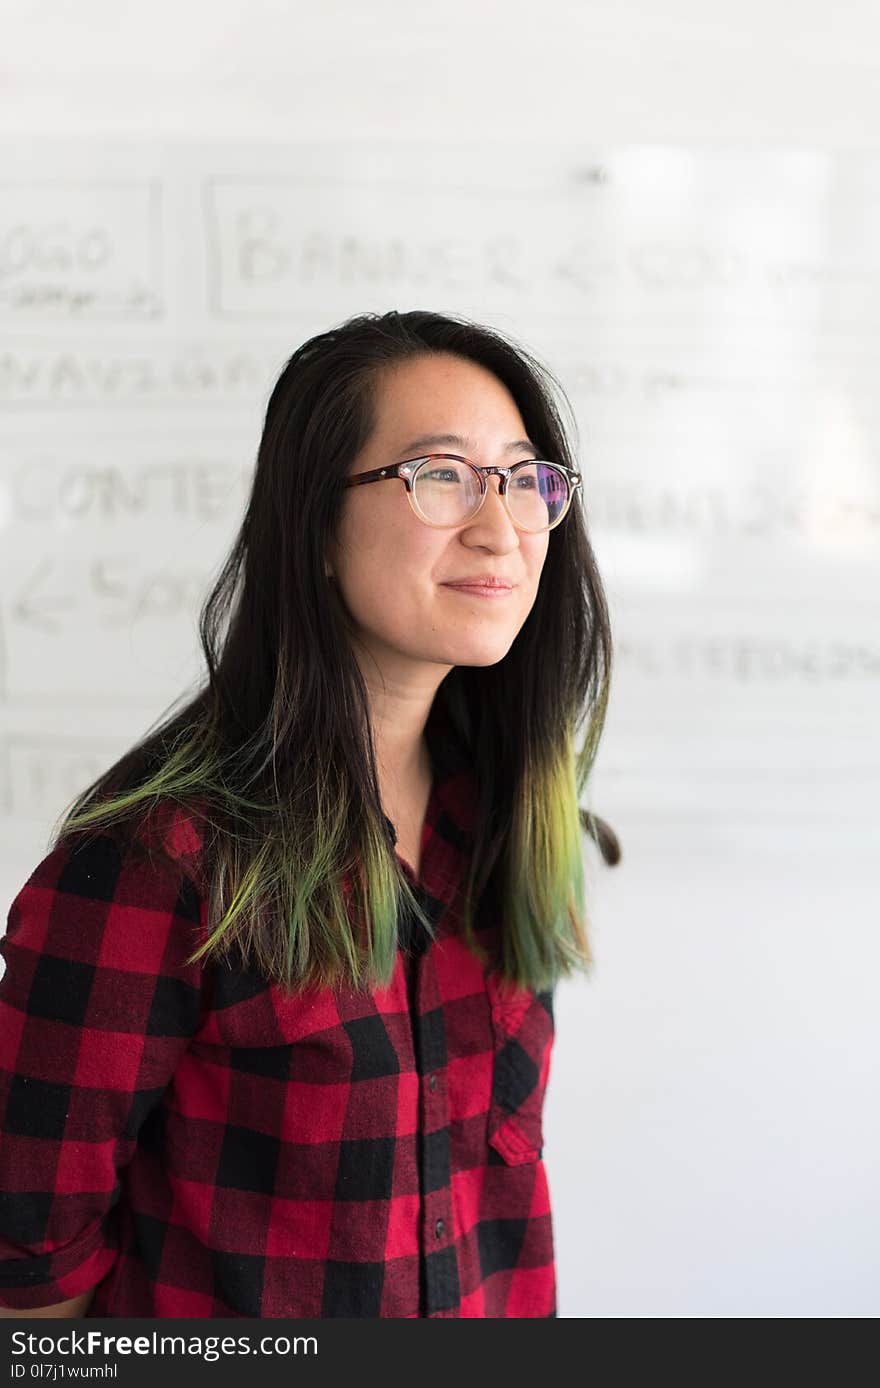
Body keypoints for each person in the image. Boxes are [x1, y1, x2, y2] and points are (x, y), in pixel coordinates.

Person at [0, 309, 619, 1319]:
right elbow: (26, 1271)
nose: (501, 527)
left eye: (523, 478)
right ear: (315, 526)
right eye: (441, 474)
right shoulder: (156, 863)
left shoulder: (500, 814)